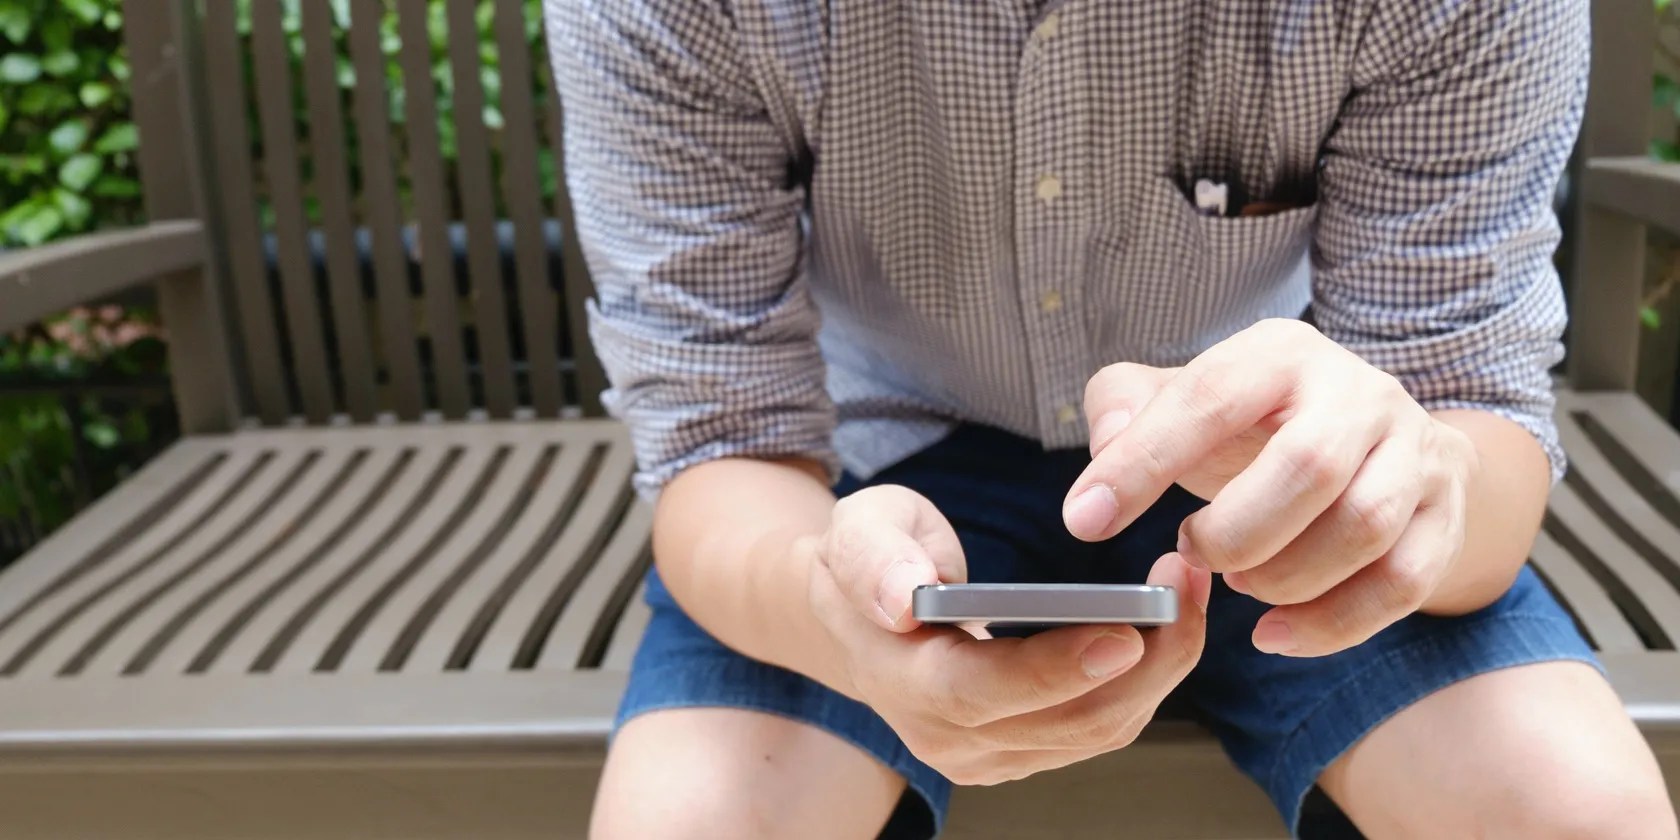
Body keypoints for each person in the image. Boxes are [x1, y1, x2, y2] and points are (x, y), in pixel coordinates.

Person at [547, 0, 1679, 837]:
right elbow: (722, 442)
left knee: (1581, 813)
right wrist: (821, 603)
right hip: (867, 476)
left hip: (1282, 464)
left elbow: (1464, 422)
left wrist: (1412, 487)